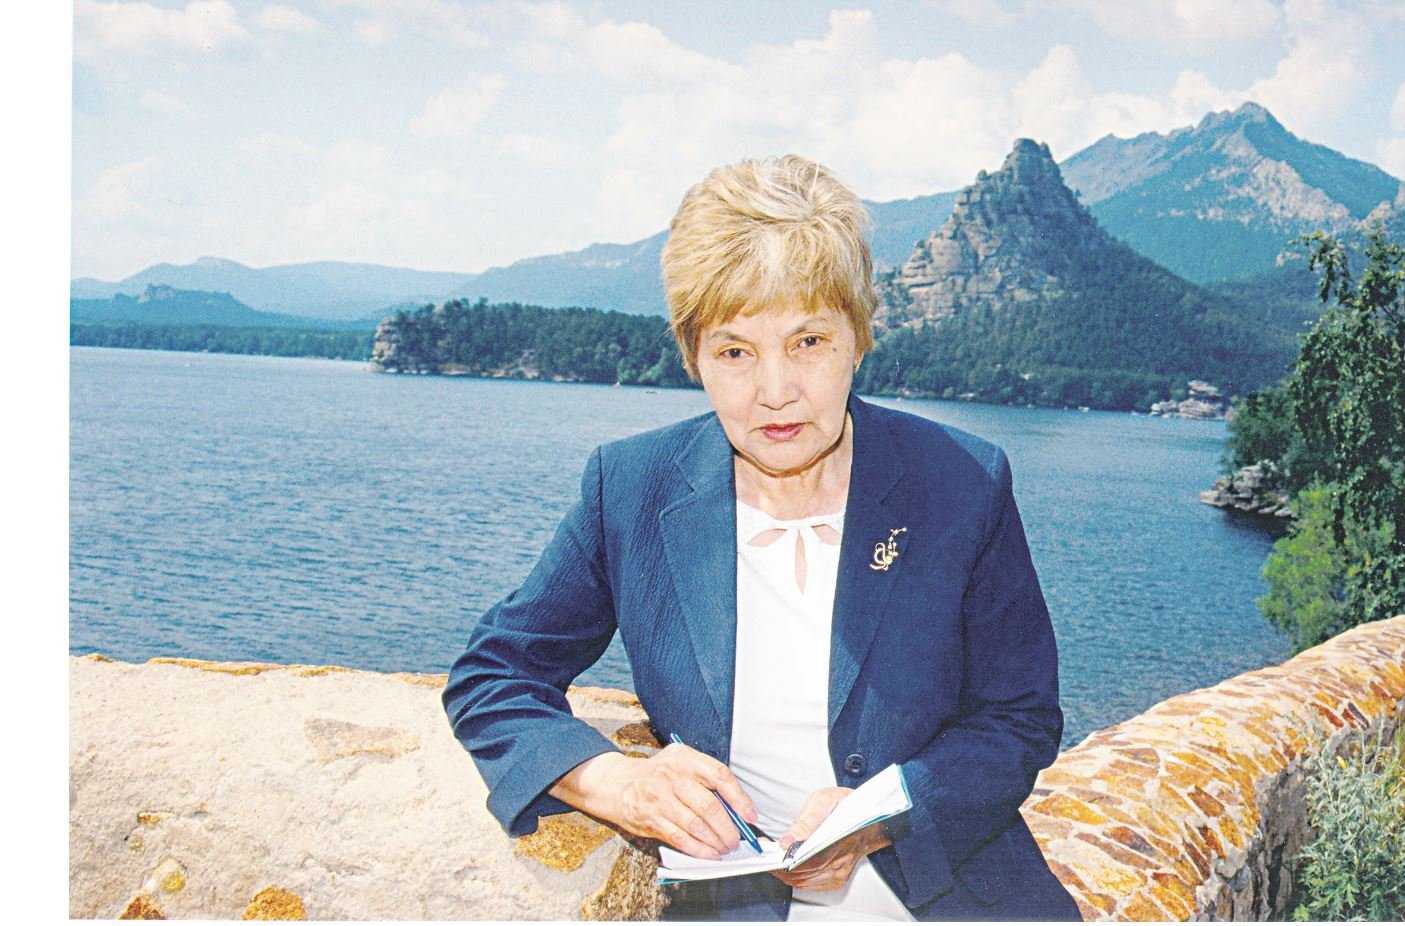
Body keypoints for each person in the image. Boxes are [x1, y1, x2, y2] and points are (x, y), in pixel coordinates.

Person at [443, 155, 1081, 921]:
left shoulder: (961, 481)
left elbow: (1018, 716)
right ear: (693, 356)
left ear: (858, 337)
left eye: (807, 342)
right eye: (735, 352)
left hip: (953, 895)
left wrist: (885, 812)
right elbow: (492, 676)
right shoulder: (631, 488)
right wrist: (616, 782)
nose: (775, 392)